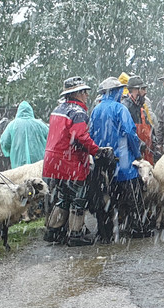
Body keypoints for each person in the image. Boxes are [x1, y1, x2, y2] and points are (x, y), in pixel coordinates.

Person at [42, 76, 101, 247]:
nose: (87, 95)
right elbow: (81, 136)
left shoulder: (58, 109)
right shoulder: (78, 112)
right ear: (77, 93)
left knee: (64, 197)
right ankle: (75, 234)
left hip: (53, 160)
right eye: (84, 92)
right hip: (70, 161)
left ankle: (52, 231)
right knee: (79, 197)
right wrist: (96, 151)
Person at [90, 77, 146, 239]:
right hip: (124, 161)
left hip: (104, 163)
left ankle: (106, 233)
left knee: (106, 200)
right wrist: (137, 153)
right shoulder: (120, 108)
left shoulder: (96, 110)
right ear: (115, 91)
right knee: (133, 198)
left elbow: (91, 134)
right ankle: (137, 229)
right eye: (120, 90)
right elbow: (129, 132)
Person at [0, 100, 49, 169]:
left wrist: (8, 152)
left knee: (21, 175)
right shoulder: (40, 124)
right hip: (38, 163)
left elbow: (4, 142)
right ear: (31, 111)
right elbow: (51, 139)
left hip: (19, 162)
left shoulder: (12, 125)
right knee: (37, 175)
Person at [121, 75, 156, 164]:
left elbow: (149, 127)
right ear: (135, 90)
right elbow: (125, 132)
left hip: (145, 156)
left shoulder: (140, 106)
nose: (145, 92)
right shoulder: (125, 107)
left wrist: (154, 142)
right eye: (143, 89)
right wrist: (139, 144)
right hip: (132, 157)